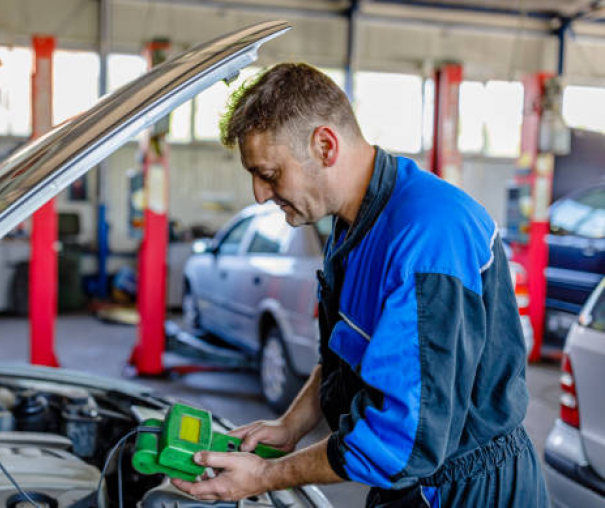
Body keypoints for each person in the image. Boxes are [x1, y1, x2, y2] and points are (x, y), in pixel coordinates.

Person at [170, 63, 549, 507]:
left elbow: (402, 445)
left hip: (467, 490)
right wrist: (291, 425)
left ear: (325, 145)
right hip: (415, 482)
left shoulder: (428, 235)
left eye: (269, 174)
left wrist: (266, 476)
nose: (258, 194)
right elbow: (349, 352)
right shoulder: (355, 226)